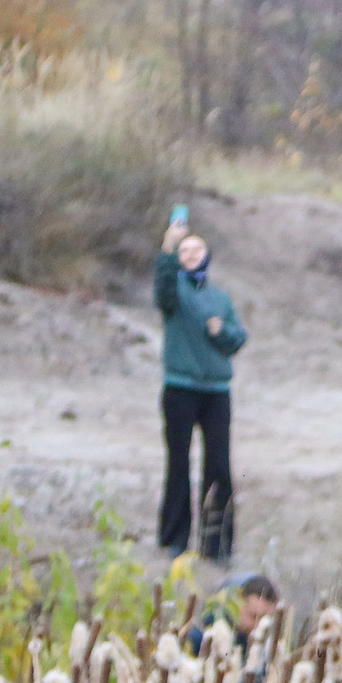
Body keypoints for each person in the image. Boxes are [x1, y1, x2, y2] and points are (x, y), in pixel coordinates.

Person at [154, 216, 249, 560]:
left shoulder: (220, 297)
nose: (191, 254)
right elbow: (163, 287)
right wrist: (167, 249)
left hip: (216, 393)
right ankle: (174, 541)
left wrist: (220, 331)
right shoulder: (174, 292)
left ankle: (216, 545)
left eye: (197, 249)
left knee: (219, 467)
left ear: (207, 255)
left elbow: (238, 339)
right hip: (179, 389)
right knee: (178, 463)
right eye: (185, 250)